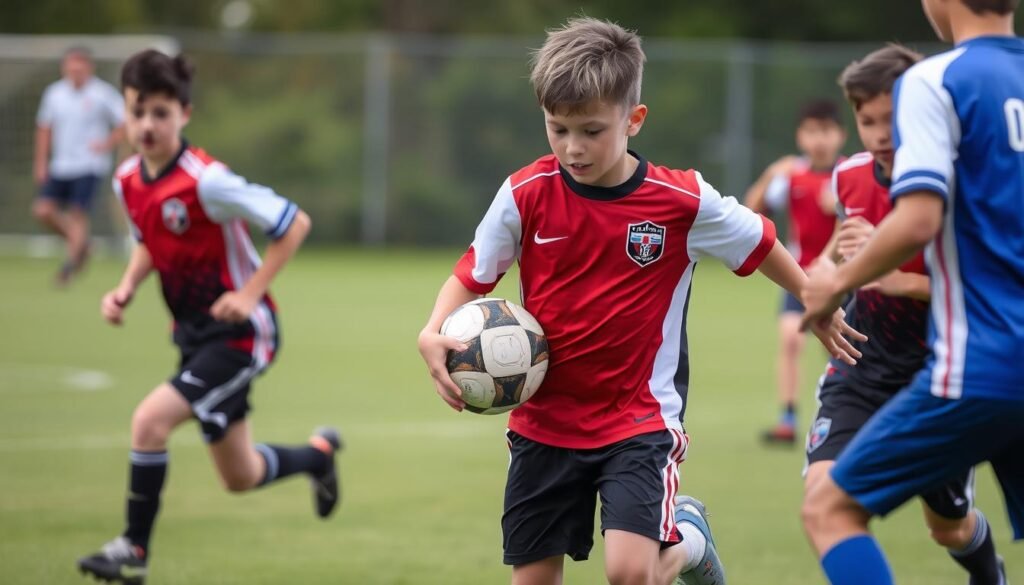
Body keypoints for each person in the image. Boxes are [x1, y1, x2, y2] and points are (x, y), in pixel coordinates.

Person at [417, 17, 863, 585]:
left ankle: (691, 538)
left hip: (638, 420)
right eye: (558, 129)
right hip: (541, 424)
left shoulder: (681, 200)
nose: (573, 148)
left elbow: (760, 240)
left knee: (632, 573)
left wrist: (811, 299)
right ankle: (684, 536)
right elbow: (472, 274)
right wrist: (432, 330)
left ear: (634, 119)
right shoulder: (525, 193)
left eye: (591, 130)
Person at [76, 50, 342, 585]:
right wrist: (126, 287)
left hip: (243, 335)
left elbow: (293, 223)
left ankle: (133, 550)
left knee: (149, 422)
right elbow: (150, 242)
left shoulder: (207, 181)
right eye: (137, 113)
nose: (147, 125)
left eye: (160, 113)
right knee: (239, 476)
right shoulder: (127, 179)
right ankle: (318, 457)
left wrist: (249, 294)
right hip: (195, 337)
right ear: (124, 116)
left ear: (184, 113)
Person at [800, 1, 1024, 583]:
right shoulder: (851, 174)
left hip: (976, 362)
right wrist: (831, 266)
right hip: (873, 367)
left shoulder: (936, 80)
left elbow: (919, 219)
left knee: (831, 512)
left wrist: (838, 284)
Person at [744, 101, 847, 445]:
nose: (820, 140)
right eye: (812, 131)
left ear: (840, 136)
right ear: (801, 137)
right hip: (799, 277)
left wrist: (838, 206)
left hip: (843, 278)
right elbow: (751, 210)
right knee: (791, 339)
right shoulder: (791, 175)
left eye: (827, 131)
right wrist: (771, 173)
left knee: (840, 347)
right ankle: (787, 419)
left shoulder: (848, 174)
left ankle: (848, 413)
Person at [33, 46, 125, 285]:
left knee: (77, 214)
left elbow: (125, 123)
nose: (75, 70)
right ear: (64, 68)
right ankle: (82, 245)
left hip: (89, 165)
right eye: (71, 65)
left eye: (80, 65)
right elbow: (44, 129)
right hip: (60, 165)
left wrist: (106, 144)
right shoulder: (54, 94)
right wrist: (41, 162)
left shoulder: (102, 93)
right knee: (43, 210)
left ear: (88, 67)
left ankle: (69, 267)